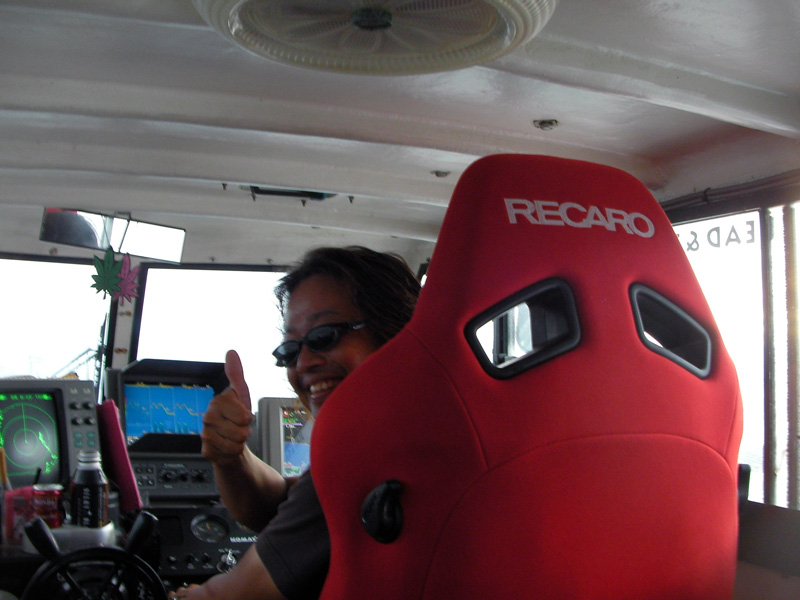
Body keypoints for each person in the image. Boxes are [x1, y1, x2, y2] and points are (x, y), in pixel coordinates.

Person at [169, 246, 420, 600]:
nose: (303, 363)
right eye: (289, 350)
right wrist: (232, 457)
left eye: (323, 337)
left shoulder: (370, 456)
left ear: (397, 335)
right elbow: (287, 508)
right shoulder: (416, 433)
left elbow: (236, 595)